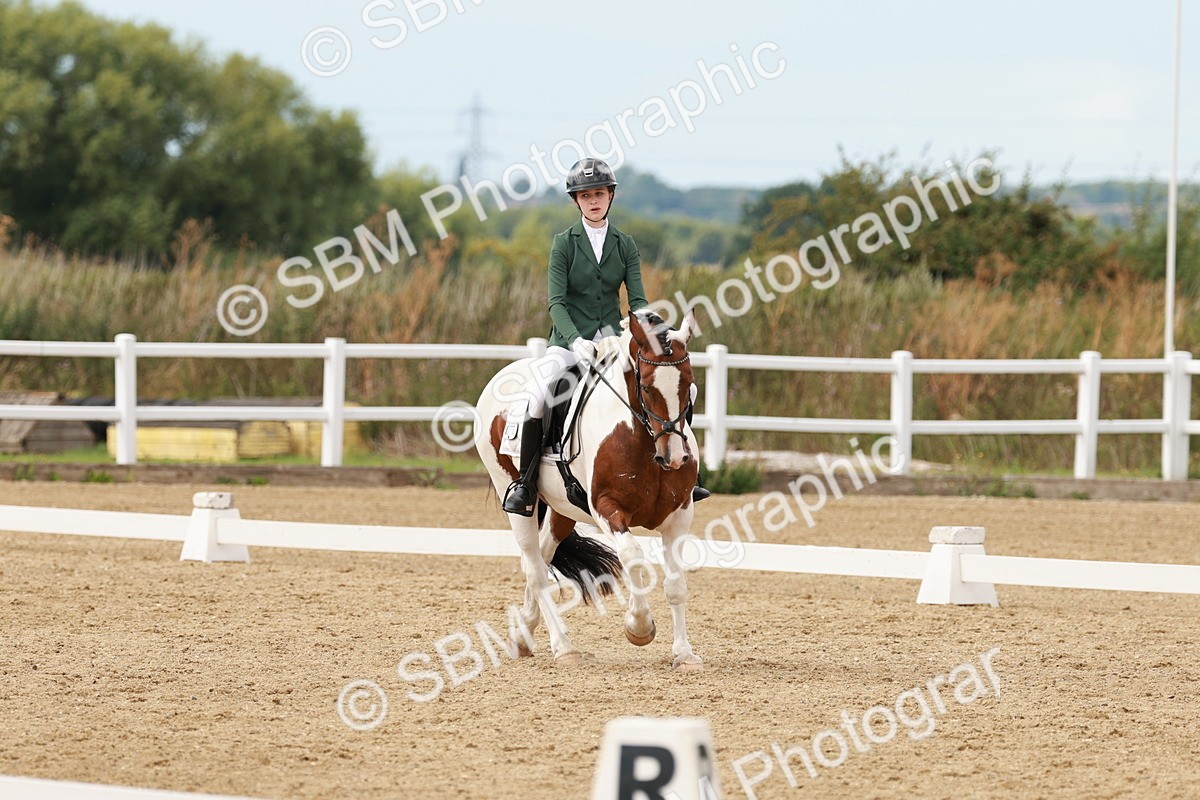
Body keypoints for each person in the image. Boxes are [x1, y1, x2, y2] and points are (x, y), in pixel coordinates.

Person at [501, 157, 709, 516]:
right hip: (570, 341)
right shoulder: (563, 244)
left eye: (599, 193)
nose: (593, 201)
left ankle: (682, 468)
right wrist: (574, 339)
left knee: (683, 387)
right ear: (576, 201)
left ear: (610, 196)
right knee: (539, 394)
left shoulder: (624, 243)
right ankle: (526, 482)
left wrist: (658, 333)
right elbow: (556, 302)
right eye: (585, 196)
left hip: (615, 337)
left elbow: (638, 300)